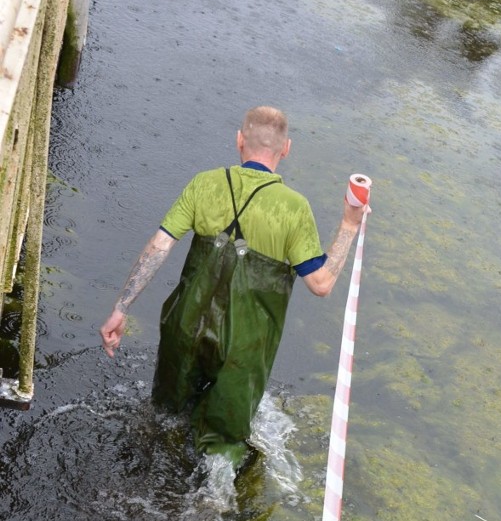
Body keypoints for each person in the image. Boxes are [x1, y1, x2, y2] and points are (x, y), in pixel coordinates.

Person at [100, 106, 363, 467]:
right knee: (222, 450)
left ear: (240, 140)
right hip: (243, 350)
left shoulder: (203, 184)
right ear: (286, 149)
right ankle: (207, 511)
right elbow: (321, 284)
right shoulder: (294, 209)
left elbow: (158, 247)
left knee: (162, 421)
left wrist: (121, 308)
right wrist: (349, 225)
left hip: (185, 329)